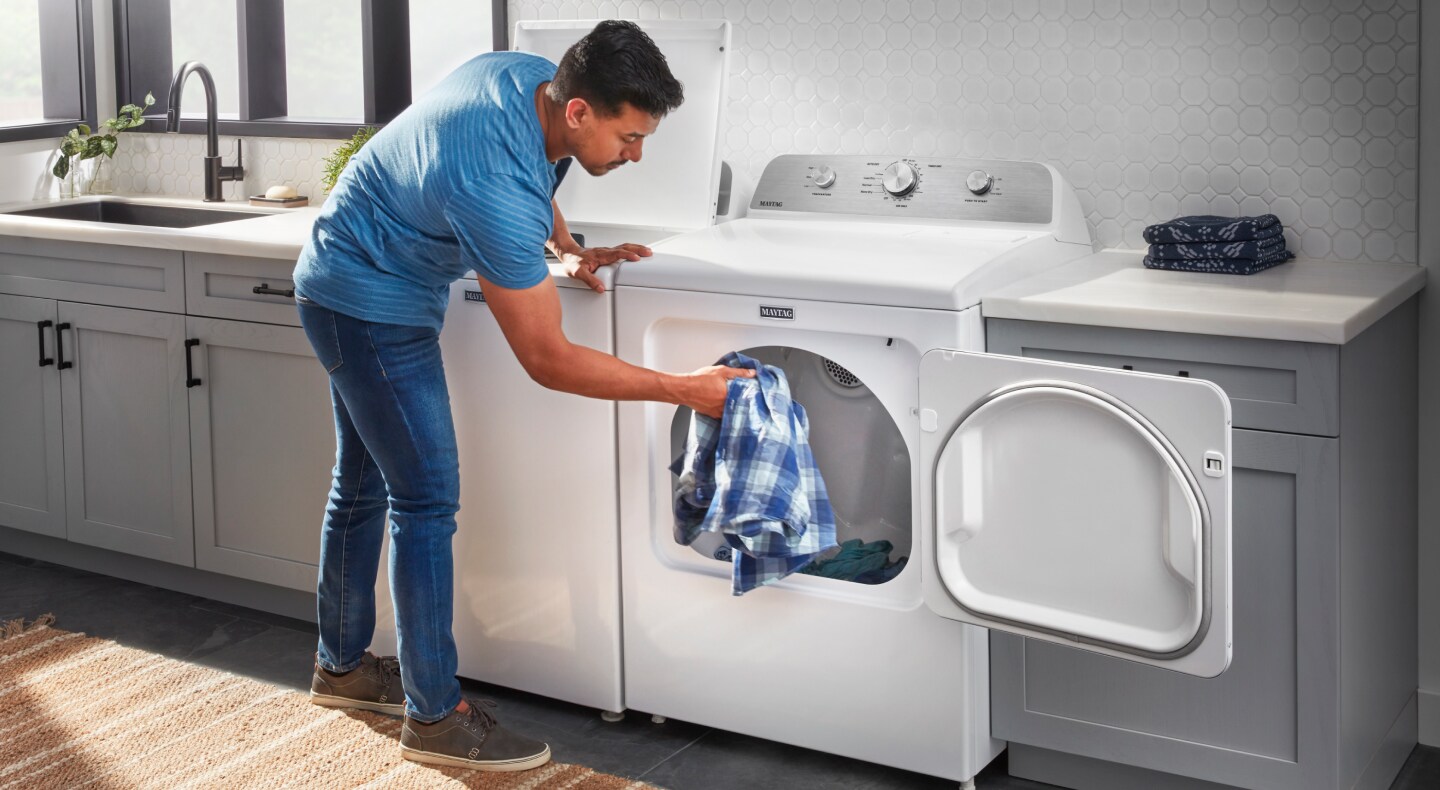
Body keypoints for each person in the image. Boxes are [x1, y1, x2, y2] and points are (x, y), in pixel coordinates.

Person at [293, 20, 751, 772]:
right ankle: (434, 719)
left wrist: (566, 247)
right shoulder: (492, 185)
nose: (636, 154)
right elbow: (548, 359)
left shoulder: (529, 78)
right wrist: (684, 388)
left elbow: (536, 168)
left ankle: (340, 671)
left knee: (364, 485)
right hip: (369, 305)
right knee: (425, 500)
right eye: (629, 138)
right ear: (579, 110)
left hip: (341, 277)